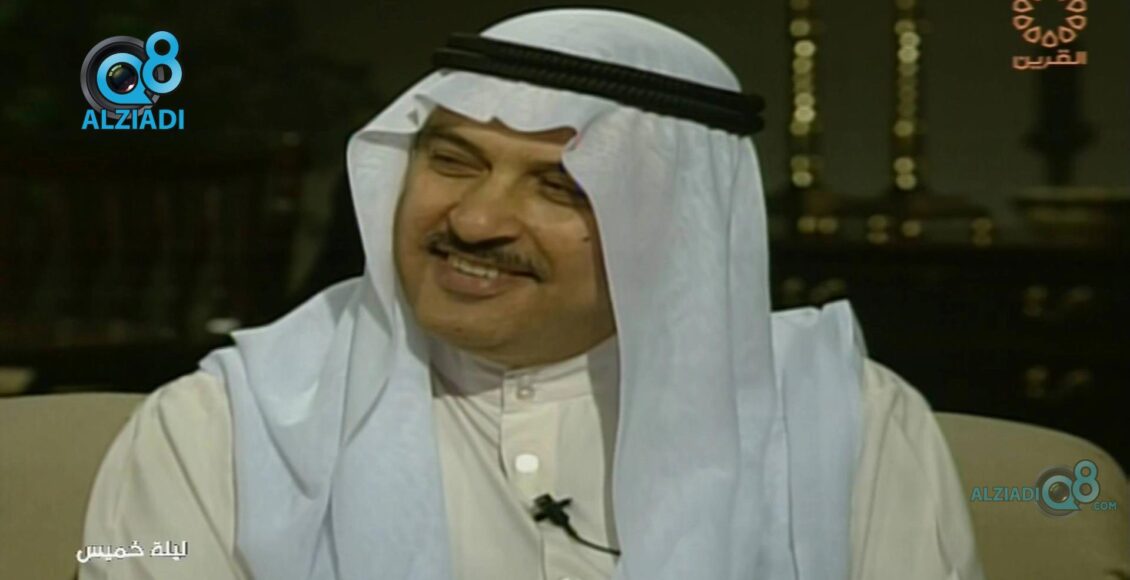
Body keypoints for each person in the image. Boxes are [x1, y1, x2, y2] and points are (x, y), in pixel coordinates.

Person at [80, 8, 984, 580]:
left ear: (673, 229)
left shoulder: (843, 422)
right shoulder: (222, 424)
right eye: (452, 161)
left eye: (561, 188)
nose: (475, 220)